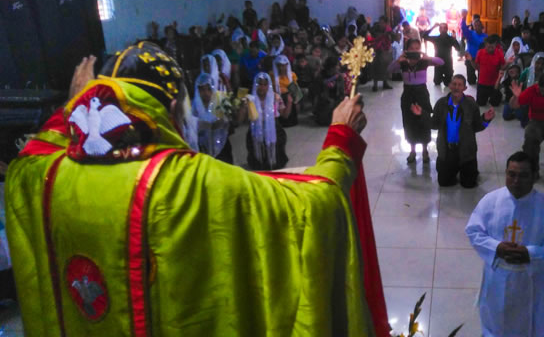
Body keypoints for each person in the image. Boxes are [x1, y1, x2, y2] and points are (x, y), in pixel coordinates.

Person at [4, 42, 385, 336]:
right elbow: (312, 205)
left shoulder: (44, 178)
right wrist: (341, 138)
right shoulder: (190, 182)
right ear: (173, 111)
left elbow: (33, 153)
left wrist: (73, 106)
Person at [465, 151, 544, 336]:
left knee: (534, 324)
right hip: (498, 277)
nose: (516, 181)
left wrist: (530, 254)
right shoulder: (491, 201)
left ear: (534, 176)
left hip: (533, 280)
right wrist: (496, 248)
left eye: (523, 175)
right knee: (497, 323)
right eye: (511, 174)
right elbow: (473, 230)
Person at [411, 75, 495, 188]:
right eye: (454, 84)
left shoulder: (471, 105)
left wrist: (485, 119)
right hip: (447, 151)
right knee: (444, 183)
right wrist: (422, 115)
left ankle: (468, 169)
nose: (456, 87)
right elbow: (434, 124)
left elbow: (476, 127)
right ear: (450, 86)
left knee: (469, 184)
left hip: (466, 151)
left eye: (460, 85)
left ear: (464, 88)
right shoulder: (441, 104)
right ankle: (449, 167)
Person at [389, 39, 444, 164]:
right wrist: (398, 60)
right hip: (407, 96)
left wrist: (428, 57)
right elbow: (390, 69)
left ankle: (425, 151)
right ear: (407, 49)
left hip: (422, 95)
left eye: (417, 48)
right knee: (409, 123)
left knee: (424, 122)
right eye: (411, 48)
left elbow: (441, 62)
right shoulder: (403, 63)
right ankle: (412, 151)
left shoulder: (423, 62)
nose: (414, 50)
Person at [245, 72, 290, 170]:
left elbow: (285, 115)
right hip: (256, 129)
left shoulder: (275, 97)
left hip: (274, 129)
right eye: (259, 84)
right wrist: (241, 105)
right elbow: (240, 120)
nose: (262, 87)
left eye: (265, 84)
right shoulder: (250, 99)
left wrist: (290, 102)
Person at [193, 73, 233, 163]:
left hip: (222, 144)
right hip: (203, 148)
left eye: (209, 89)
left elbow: (230, 119)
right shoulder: (194, 107)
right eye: (202, 90)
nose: (206, 93)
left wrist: (223, 122)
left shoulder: (220, 101)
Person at [473, 34, 507, 107]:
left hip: (494, 84)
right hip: (482, 83)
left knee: (495, 104)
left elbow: (502, 68)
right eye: (488, 47)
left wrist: (508, 63)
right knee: (480, 104)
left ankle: (497, 94)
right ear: (485, 45)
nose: (490, 49)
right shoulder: (480, 52)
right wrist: (470, 61)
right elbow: (476, 67)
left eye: (492, 47)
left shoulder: (499, 53)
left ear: (495, 45)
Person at [460, 9, 487, 85]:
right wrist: (464, 17)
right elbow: (463, 28)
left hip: (481, 59)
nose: (477, 27)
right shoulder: (470, 34)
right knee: (471, 81)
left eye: (479, 25)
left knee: (482, 80)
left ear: (481, 26)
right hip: (470, 58)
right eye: (475, 25)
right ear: (473, 26)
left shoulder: (485, 36)